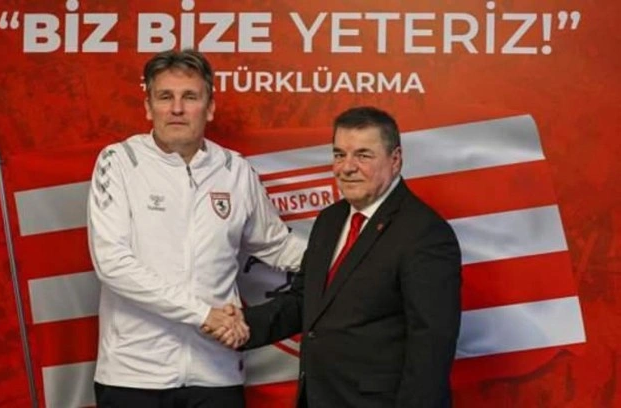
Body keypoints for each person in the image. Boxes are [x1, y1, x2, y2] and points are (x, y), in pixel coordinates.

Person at [86, 49, 305, 408]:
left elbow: (277, 245)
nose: (177, 108)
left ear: (210, 107)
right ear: (148, 107)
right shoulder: (120, 161)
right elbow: (112, 263)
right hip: (133, 374)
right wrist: (204, 314)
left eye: (190, 97)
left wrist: (346, 260)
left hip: (216, 372)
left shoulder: (235, 169)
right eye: (165, 97)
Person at [212, 107, 462, 407]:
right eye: (339, 154)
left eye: (363, 155)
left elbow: (431, 346)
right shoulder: (330, 220)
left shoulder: (425, 233)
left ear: (395, 159)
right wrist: (241, 324)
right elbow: (304, 301)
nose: (347, 167)